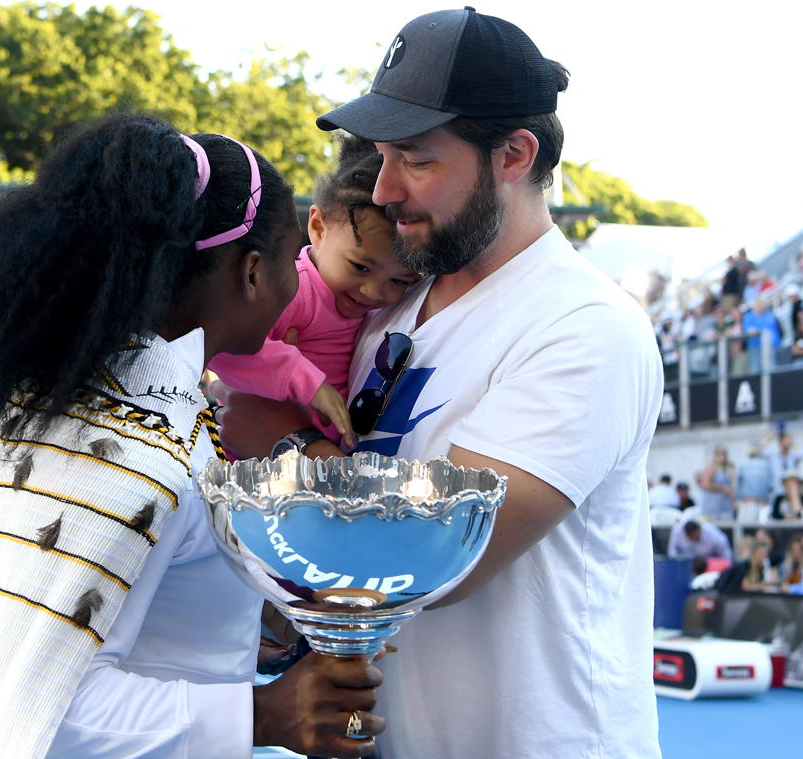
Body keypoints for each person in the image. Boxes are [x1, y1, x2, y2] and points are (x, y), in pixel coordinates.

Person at [218, 11, 662, 758]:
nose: (385, 189)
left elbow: (438, 551)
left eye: (417, 160)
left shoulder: (584, 325)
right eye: (383, 157)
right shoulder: (388, 303)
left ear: (514, 155)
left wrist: (277, 443)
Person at [0, 114, 383, 759]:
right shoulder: (137, 450)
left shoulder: (99, 402)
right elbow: (50, 704)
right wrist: (266, 715)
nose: (294, 284)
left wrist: (254, 617)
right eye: (284, 263)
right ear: (249, 274)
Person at [210, 136, 419, 448]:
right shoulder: (295, 289)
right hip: (255, 457)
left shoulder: (370, 309)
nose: (374, 291)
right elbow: (221, 347)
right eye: (360, 267)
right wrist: (305, 380)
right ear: (319, 228)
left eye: (400, 281)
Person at [765, 431, 803, 518]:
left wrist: (792, 444)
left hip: (791, 494)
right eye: (785, 440)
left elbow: (802, 454)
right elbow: (758, 451)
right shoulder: (774, 455)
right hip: (778, 491)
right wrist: (769, 439)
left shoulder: (792, 456)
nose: (786, 443)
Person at [742, 297, 780, 373]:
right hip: (755, 346)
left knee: (771, 366)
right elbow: (747, 329)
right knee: (755, 367)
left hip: (770, 346)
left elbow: (772, 329)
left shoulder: (769, 315)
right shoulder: (748, 316)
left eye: (761, 305)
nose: (759, 308)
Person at [698, 445, 735, 520]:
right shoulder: (711, 467)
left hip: (724, 503)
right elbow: (705, 484)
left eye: (723, 454)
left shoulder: (726, 469)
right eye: (719, 454)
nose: (722, 456)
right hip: (713, 502)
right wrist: (721, 489)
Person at [667, 520, 733, 561]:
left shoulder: (714, 535)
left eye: (695, 535)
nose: (693, 538)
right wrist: (677, 559)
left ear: (699, 529)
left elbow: (726, 555)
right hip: (686, 562)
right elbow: (672, 551)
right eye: (691, 537)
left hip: (708, 562)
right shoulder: (677, 531)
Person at [736, 443, 772, 517]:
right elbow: (771, 487)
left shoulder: (743, 466)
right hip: (762, 503)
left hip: (746, 504)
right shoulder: (767, 466)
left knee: (745, 527)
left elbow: (738, 487)